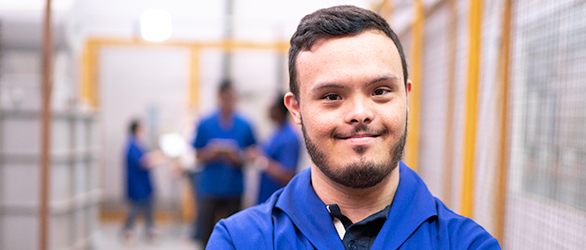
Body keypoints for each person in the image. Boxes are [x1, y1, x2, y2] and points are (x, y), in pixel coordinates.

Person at [207, 5, 500, 249]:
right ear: (296, 109)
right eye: (332, 96)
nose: (360, 114)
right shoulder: (241, 241)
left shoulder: (466, 244)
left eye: (381, 91)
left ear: (406, 97)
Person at [192, 80, 257, 247]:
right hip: (210, 188)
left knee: (235, 233)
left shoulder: (245, 125)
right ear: (219, 97)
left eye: (232, 97)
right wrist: (209, 153)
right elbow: (196, 153)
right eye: (226, 96)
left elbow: (254, 152)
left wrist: (239, 156)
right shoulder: (205, 123)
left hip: (233, 188)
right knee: (206, 233)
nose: (229, 100)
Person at [249, 93, 301, 205]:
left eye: (272, 108)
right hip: (266, 197)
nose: (268, 110)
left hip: (278, 201)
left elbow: (288, 175)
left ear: (280, 111)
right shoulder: (276, 133)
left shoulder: (289, 137)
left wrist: (261, 160)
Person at [122, 119, 166, 244]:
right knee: (135, 207)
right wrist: (156, 157)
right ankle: (128, 230)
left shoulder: (138, 144)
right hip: (137, 183)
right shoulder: (131, 144)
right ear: (136, 129)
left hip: (143, 183)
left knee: (148, 206)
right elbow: (142, 161)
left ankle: (149, 229)